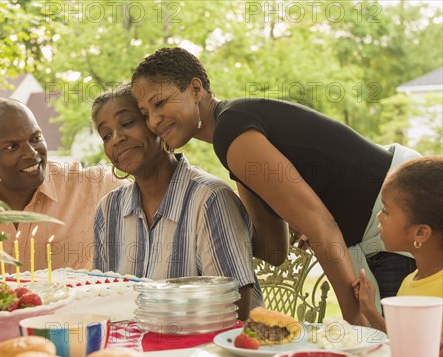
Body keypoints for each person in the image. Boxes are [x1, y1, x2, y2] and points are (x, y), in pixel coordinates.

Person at [130, 47, 421, 325]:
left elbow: (321, 227)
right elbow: (273, 248)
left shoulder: (232, 131)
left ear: (195, 90)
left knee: (398, 355)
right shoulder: (232, 143)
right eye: (144, 113)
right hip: (380, 228)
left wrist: (354, 318)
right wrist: (198, 227)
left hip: (399, 219)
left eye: (159, 103)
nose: (154, 121)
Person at [91, 85, 263, 319]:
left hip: (203, 350)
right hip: (130, 348)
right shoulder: (108, 210)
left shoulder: (209, 198)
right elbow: (102, 297)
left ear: (156, 126)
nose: (117, 139)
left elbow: (233, 308)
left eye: (127, 123)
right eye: (106, 135)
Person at [0, 98, 126, 272]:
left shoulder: (87, 186)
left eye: (35, 139)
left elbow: (146, 188)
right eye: (12, 146)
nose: (31, 153)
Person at [354, 157, 442, 357]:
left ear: (420, 233)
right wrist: (370, 311)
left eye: (385, 211)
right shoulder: (409, 282)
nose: (378, 217)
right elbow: (402, 342)